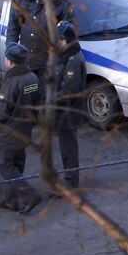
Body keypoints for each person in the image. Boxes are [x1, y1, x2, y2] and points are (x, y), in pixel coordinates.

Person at [0, 43, 43, 214]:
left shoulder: (11, 82)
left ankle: (30, 195)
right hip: (24, 130)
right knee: (17, 165)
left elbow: (1, 110)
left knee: (5, 166)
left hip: (8, 133)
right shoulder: (33, 79)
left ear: (11, 62)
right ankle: (10, 200)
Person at [6, 0, 76, 76]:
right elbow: (13, 26)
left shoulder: (61, 4)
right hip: (25, 60)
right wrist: (11, 52)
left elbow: (67, 34)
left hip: (46, 64)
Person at [42, 20, 86, 189]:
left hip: (69, 113)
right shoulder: (65, 56)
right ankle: (69, 179)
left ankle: (71, 182)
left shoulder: (73, 61)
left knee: (69, 150)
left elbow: (69, 90)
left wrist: (50, 102)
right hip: (63, 112)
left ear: (64, 41)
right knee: (66, 148)